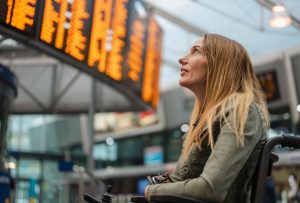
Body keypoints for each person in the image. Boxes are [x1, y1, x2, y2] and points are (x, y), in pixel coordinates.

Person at [144, 34, 270, 203]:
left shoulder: (242, 109)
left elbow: (210, 189)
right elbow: (178, 181)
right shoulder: (204, 119)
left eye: (196, 51)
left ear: (219, 64)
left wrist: (151, 191)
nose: (182, 59)